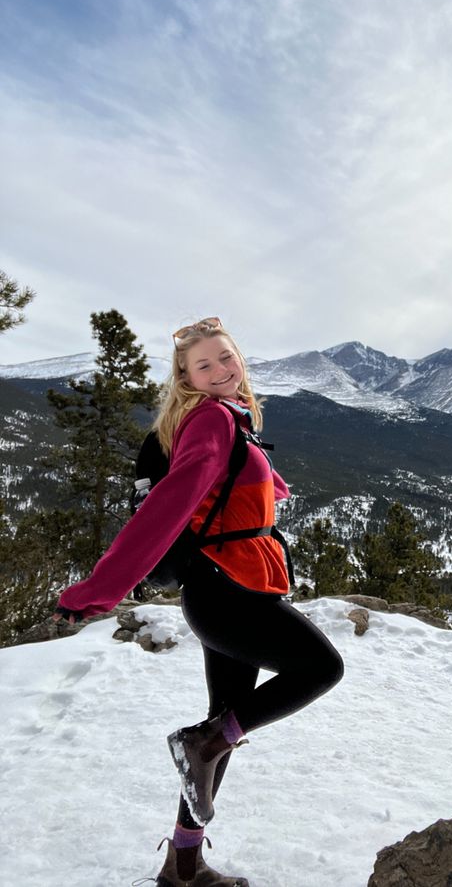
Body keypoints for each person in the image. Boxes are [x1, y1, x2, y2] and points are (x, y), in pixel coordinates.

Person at [54, 317, 344, 887]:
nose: (220, 370)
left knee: (218, 736)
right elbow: (164, 509)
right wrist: (100, 590)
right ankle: (204, 746)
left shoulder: (230, 420)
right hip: (226, 591)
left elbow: (231, 486)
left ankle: (183, 865)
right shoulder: (211, 419)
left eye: (225, 357)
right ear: (186, 378)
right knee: (320, 668)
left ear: (240, 359)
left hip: (229, 588)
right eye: (203, 365)